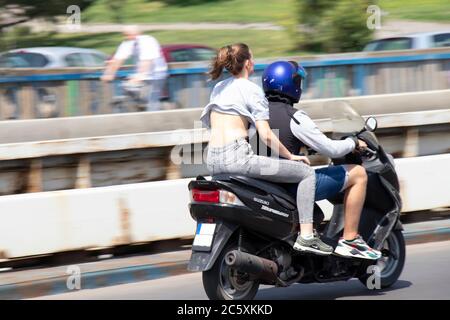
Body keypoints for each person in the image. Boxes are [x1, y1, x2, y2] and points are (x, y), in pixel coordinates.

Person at [200, 43, 333, 255]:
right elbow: (266, 135)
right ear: (247, 63)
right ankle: (307, 236)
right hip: (237, 158)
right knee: (306, 173)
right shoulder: (252, 90)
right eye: (252, 58)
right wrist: (291, 156)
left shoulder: (218, 89)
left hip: (212, 160)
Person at [260, 60, 382, 260]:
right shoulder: (295, 117)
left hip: (266, 183)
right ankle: (350, 240)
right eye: (298, 81)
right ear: (291, 85)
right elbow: (331, 149)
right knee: (358, 174)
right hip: (291, 186)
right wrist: (353, 142)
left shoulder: (256, 114)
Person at [101, 25, 168, 111]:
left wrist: (139, 76)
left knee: (152, 99)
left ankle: (153, 113)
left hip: (157, 73)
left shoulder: (147, 41)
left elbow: (146, 61)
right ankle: (140, 106)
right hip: (143, 72)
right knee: (129, 88)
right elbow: (117, 60)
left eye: (128, 34)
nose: (126, 37)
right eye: (125, 35)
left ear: (137, 34)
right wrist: (108, 73)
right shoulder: (127, 43)